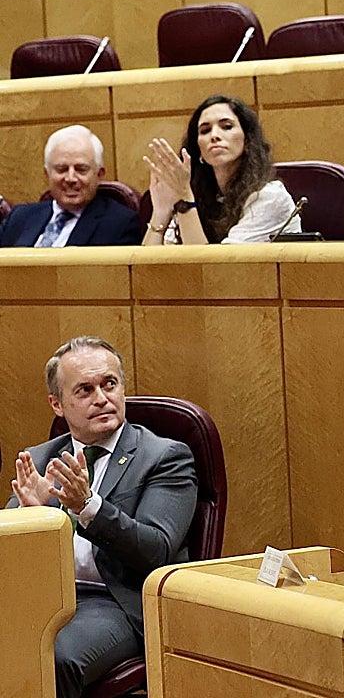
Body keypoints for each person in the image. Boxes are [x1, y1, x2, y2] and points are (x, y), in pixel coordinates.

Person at [6, 337, 197, 698]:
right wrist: (34, 518)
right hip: (49, 597)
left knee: (50, 657)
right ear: (57, 405)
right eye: (85, 390)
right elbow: (10, 558)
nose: (101, 398)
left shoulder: (164, 457)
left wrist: (87, 507)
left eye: (110, 384)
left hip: (118, 602)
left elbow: (156, 551)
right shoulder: (41, 458)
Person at [141, 94, 302, 244]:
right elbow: (148, 271)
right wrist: (161, 213)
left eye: (226, 126)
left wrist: (184, 197)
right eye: (205, 130)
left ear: (247, 142)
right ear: (199, 151)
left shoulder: (270, 198)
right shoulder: (198, 195)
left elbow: (215, 269)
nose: (214, 136)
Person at [0, 125, 141, 248]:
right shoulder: (19, 217)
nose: (70, 178)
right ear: (47, 173)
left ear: (99, 174)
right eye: (61, 169)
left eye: (81, 169)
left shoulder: (120, 224)